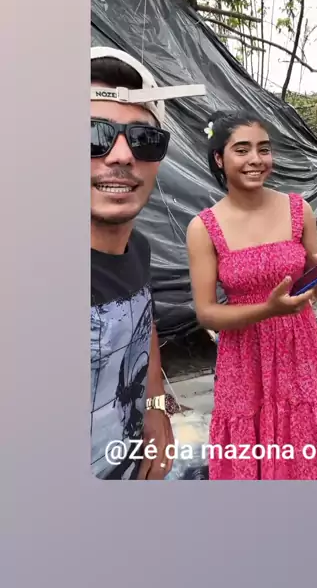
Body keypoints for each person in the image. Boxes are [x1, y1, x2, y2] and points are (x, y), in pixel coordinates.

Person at [186, 110, 317, 480]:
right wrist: (267, 309)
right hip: (242, 353)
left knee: (301, 441)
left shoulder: (299, 209)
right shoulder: (204, 228)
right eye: (242, 150)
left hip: (297, 347)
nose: (256, 159)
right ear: (219, 158)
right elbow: (207, 313)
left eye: (263, 149)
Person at [90, 46, 205, 479]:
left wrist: (155, 407)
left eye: (143, 140)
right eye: (93, 134)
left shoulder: (137, 248)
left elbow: (144, 323)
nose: (122, 155)